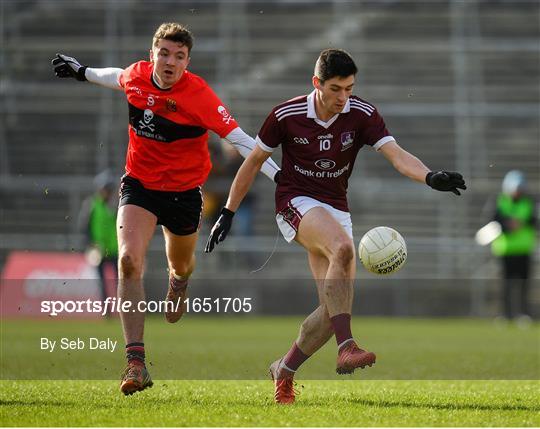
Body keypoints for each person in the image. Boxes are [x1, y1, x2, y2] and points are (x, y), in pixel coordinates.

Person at [205, 49, 466, 404]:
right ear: (317, 84)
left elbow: (397, 155)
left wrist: (430, 176)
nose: (344, 97)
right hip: (295, 202)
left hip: (336, 209)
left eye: (350, 88)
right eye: (336, 89)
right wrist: (228, 212)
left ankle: (284, 369)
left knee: (332, 311)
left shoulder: (362, 113)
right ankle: (347, 347)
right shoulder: (286, 114)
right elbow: (252, 163)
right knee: (343, 248)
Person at [52, 22, 281, 396]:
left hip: (185, 193)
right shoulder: (138, 77)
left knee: (182, 264)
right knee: (128, 261)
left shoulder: (200, 95)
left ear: (187, 61)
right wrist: (83, 72)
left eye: (179, 56)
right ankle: (136, 362)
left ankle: (179, 283)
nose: (170, 61)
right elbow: (118, 78)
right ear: (152, 54)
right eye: (165, 53)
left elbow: (241, 140)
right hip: (139, 186)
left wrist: (282, 179)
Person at [492, 170, 536, 321]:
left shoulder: (528, 202)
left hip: (524, 249)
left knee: (524, 285)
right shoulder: (500, 201)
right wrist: (508, 225)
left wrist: (522, 223)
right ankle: (505, 315)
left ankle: (524, 314)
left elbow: (534, 222)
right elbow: (494, 222)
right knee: (506, 285)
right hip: (505, 250)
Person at [78, 170, 119, 309]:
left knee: (119, 282)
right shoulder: (92, 205)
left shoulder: (115, 205)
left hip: (115, 249)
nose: (108, 192)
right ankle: (106, 310)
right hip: (98, 249)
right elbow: (85, 227)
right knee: (102, 282)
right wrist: (90, 245)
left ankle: (122, 309)